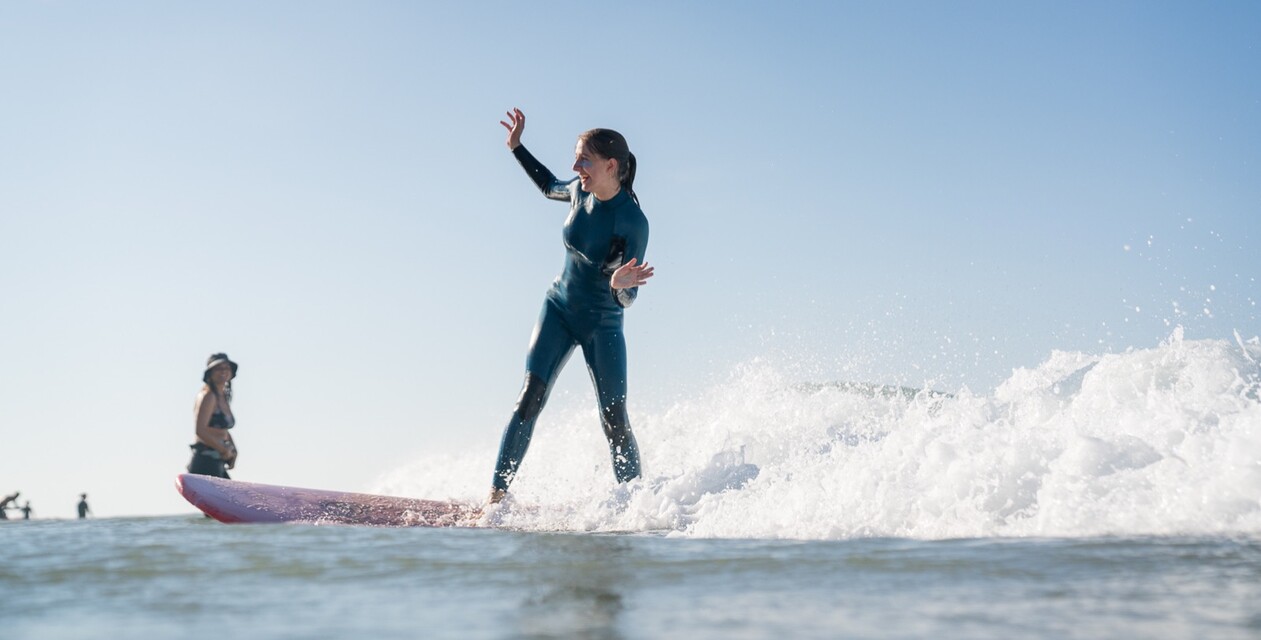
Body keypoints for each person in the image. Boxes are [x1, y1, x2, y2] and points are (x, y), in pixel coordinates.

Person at [488, 108, 655, 504]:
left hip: (603, 325)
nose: (575, 166)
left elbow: (630, 297)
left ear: (611, 165)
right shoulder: (580, 190)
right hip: (559, 309)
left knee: (614, 420)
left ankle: (635, 506)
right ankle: (494, 500)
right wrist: (516, 148)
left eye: (584, 159)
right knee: (528, 397)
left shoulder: (632, 222)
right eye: (576, 157)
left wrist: (619, 286)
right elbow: (549, 186)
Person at [188, 353, 239, 478]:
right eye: (218, 368)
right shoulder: (208, 396)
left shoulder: (222, 397)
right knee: (224, 497)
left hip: (218, 460)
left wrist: (234, 450)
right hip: (205, 459)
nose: (223, 371)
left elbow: (222, 430)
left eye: (226, 368)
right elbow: (200, 430)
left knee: (229, 495)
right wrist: (223, 450)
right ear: (210, 373)